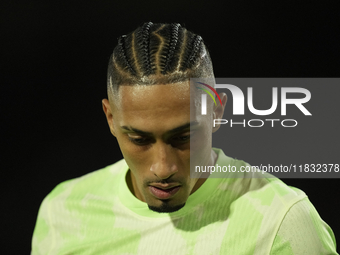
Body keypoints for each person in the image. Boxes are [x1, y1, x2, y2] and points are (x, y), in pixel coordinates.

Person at [31, 22, 337, 254]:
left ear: (216, 111)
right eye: (139, 139)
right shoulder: (62, 213)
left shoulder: (283, 220)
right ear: (111, 118)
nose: (162, 168)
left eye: (184, 137)